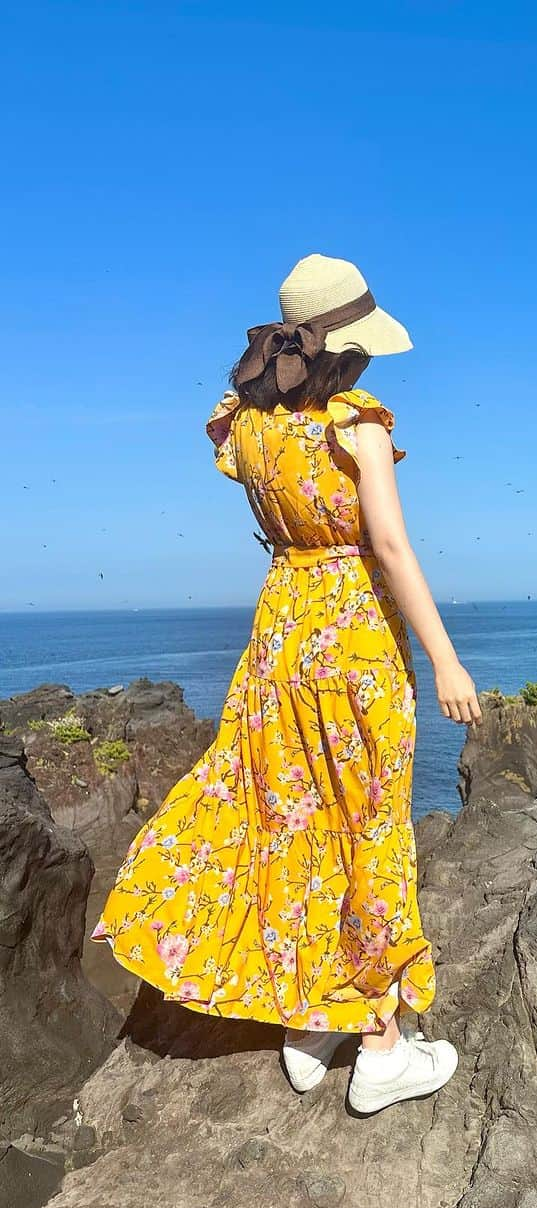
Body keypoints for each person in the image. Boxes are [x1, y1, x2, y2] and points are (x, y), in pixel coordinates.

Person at [92, 253, 481, 1115]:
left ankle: (311, 1021)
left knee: (292, 817)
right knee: (370, 822)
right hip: (353, 638)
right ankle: (382, 1044)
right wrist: (447, 659)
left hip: (281, 635)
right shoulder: (359, 424)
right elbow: (390, 548)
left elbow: (265, 500)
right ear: (345, 349)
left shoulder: (246, 425)